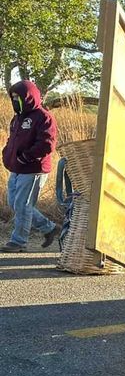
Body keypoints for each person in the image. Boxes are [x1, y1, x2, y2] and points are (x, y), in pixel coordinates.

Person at [2, 80, 59, 252]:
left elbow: (47, 144)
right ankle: (49, 228)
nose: (14, 101)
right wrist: (7, 154)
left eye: (17, 97)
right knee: (14, 203)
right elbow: (12, 140)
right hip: (17, 168)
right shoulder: (17, 118)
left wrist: (25, 157)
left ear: (28, 96)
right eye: (12, 97)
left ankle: (18, 242)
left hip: (34, 169)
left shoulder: (43, 117)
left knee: (22, 204)